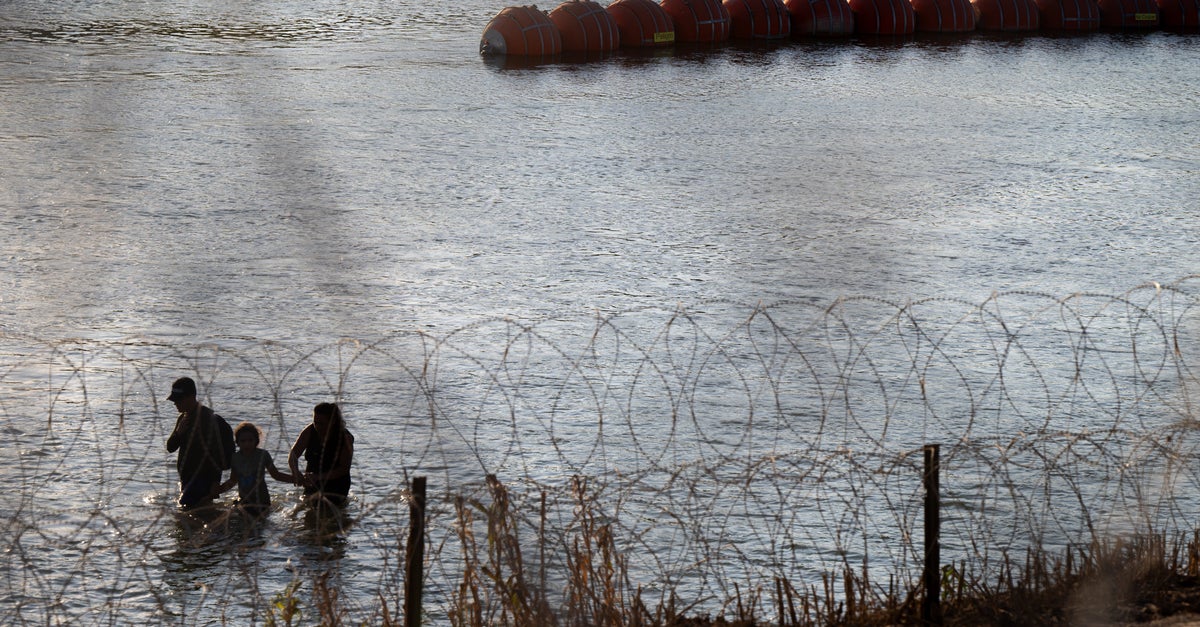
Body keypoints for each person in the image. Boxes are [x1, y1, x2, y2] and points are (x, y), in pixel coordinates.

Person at [165, 376, 227, 510]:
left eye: (178, 400)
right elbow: (170, 447)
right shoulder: (183, 418)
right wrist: (178, 433)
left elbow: (216, 452)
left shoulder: (207, 419)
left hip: (204, 478)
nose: (175, 404)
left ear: (191, 397)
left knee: (187, 509)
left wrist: (216, 482)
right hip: (187, 477)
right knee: (195, 515)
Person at [213, 422, 295, 518]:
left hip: (262, 501)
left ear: (256, 441)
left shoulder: (263, 455)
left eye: (250, 440)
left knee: (258, 526)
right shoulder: (235, 458)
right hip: (244, 501)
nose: (247, 444)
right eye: (243, 441)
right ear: (237, 442)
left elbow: (276, 475)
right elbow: (233, 480)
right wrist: (218, 491)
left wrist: (295, 479)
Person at [288, 402, 354, 507]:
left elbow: (344, 469)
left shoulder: (345, 438)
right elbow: (293, 455)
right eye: (315, 422)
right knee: (309, 514)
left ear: (332, 422)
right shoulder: (310, 431)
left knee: (330, 514)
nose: (317, 426)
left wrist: (318, 477)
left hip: (336, 485)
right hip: (312, 483)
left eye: (321, 423)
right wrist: (295, 472)